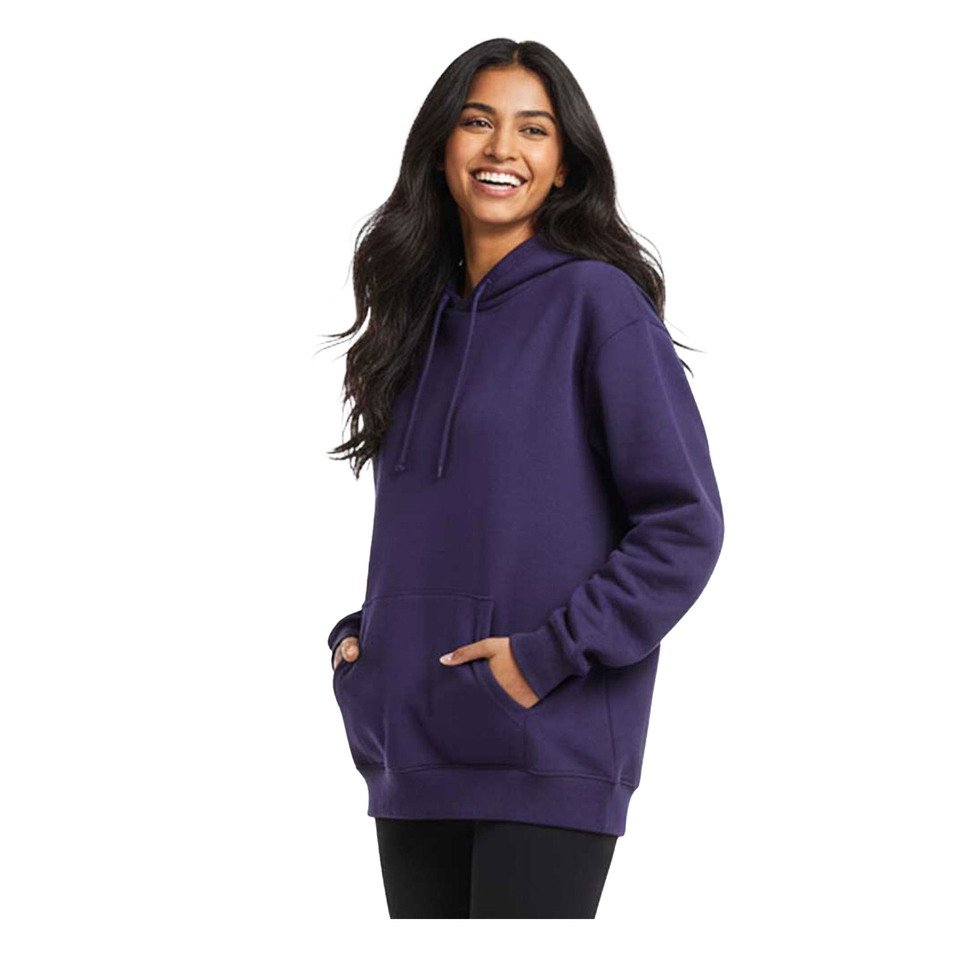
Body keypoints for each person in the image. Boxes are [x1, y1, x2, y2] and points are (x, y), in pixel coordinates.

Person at [323, 38, 724, 919]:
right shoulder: (413, 326)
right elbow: (424, 531)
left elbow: (683, 526)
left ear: (563, 165)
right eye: (478, 122)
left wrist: (546, 657)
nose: (502, 148)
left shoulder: (598, 305)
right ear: (441, 147)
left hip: (548, 748)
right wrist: (368, 645)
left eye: (533, 129)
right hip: (411, 750)